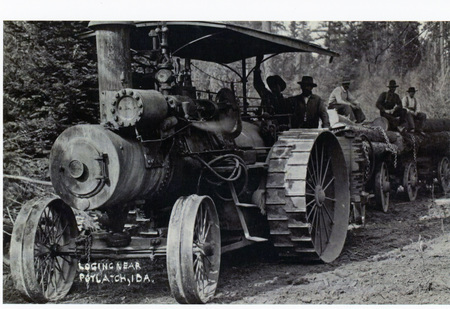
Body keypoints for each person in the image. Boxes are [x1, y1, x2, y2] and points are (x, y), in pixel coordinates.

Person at [253, 55, 291, 122]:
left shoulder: (286, 102)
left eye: (276, 85)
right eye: (272, 85)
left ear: (280, 87)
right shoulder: (267, 96)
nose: (273, 88)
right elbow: (258, 84)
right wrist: (257, 65)